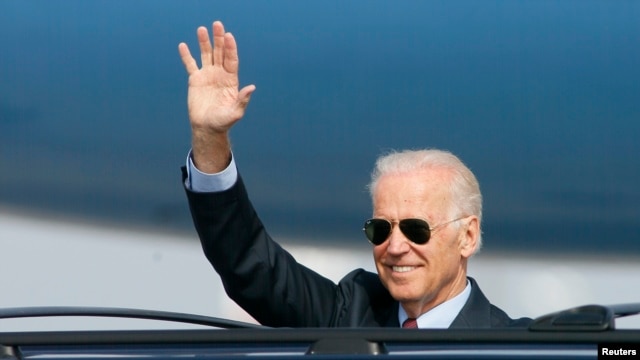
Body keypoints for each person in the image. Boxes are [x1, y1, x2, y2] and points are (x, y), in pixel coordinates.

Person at [178, 21, 531, 328]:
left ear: (467, 236)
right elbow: (250, 265)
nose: (394, 247)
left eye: (416, 229)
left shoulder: (519, 346)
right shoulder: (350, 314)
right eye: (381, 229)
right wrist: (210, 137)